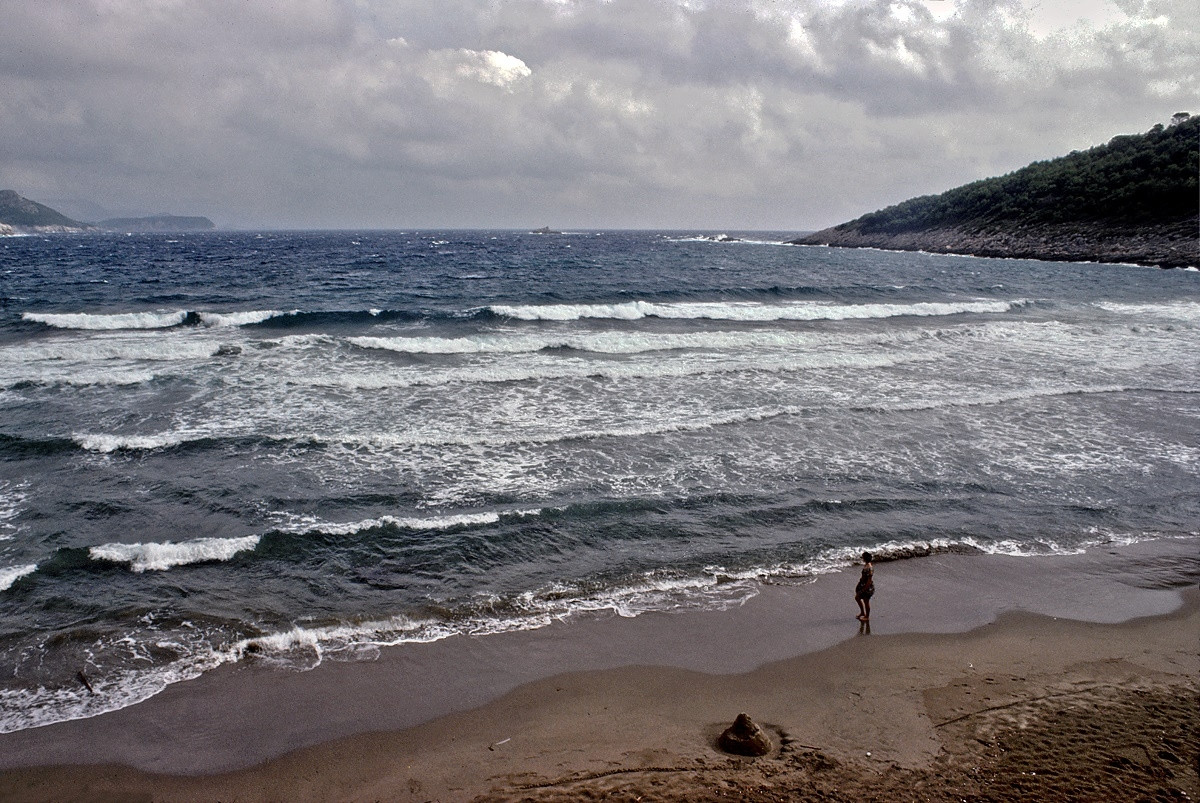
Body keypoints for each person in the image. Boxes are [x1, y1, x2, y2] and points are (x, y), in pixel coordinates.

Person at [855, 551, 874, 622]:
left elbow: (869, 581)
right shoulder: (866, 565)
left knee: (866, 601)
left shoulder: (869, 568)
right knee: (857, 597)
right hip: (863, 584)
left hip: (867, 587)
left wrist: (864, 589)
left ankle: (867, 616)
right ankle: (862, 612)